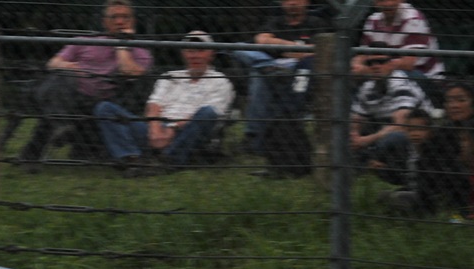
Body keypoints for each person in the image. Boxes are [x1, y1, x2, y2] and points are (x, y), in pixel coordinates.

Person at [17, 0, 152, 168]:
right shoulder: (85, 40)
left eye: (125, 17)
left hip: (102, 98)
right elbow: (52, 63)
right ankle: (59, 126)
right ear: (104, 21)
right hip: (68, 93)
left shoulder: (141, 52)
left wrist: (122, 46)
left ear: (133, 20)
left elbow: (131, 72)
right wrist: (69, 66)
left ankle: (37, 151)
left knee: (54, 111)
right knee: (60, 80)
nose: (119, 21)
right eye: (114, 17)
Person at [94, 31, 233, 176]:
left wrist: (172, 129)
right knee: (105, 108)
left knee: (207, 113)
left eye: (200, 50)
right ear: (183, 53)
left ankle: (168, 160)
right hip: (157, 129)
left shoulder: (221, 82)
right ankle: (132, 159)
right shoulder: (170, 76)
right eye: (190, 50)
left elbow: (215, 113)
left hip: (188, 132)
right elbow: (154, 104)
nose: (194, 55)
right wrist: (155, 129)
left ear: (211, 53)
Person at [232, 0, 330, 154]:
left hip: (298, 69)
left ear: (306, 2)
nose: (292, 3)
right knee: (240, 50)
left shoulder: (316, 22)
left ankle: (254, 135)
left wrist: (279, 47)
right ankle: (267, 67)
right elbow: (261, 40)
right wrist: (294, 48)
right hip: (272, 65)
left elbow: (321, 50)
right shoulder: (275, 21)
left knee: (260, 76)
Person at [384, 83, 474, 216]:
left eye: (461, 100)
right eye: (450, 100)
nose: (454, 105)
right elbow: (427, 165)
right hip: (442, 190)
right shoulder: (443, 132)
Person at [350, 42, 432, 185]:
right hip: (380, 132)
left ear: (392, 64)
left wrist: (364, 141)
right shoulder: (367, 87)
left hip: (414, 137)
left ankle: (370, 166)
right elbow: (356, 120)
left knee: (394, 138)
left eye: (381, 61)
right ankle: (367, 166)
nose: (376, 66)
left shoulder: (400, 84)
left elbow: (401, 126)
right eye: (370, 63)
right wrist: (354, 136)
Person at [351, 0, 443, 82]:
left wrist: (367, 70)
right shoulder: (372, 20)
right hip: (385, 72)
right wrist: (357, 66)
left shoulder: (413, 19)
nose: (388, 4)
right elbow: (363, 54)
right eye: (382, 0)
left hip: (424, 77)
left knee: (402, 76)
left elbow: (408, 64)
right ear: (375, 2)